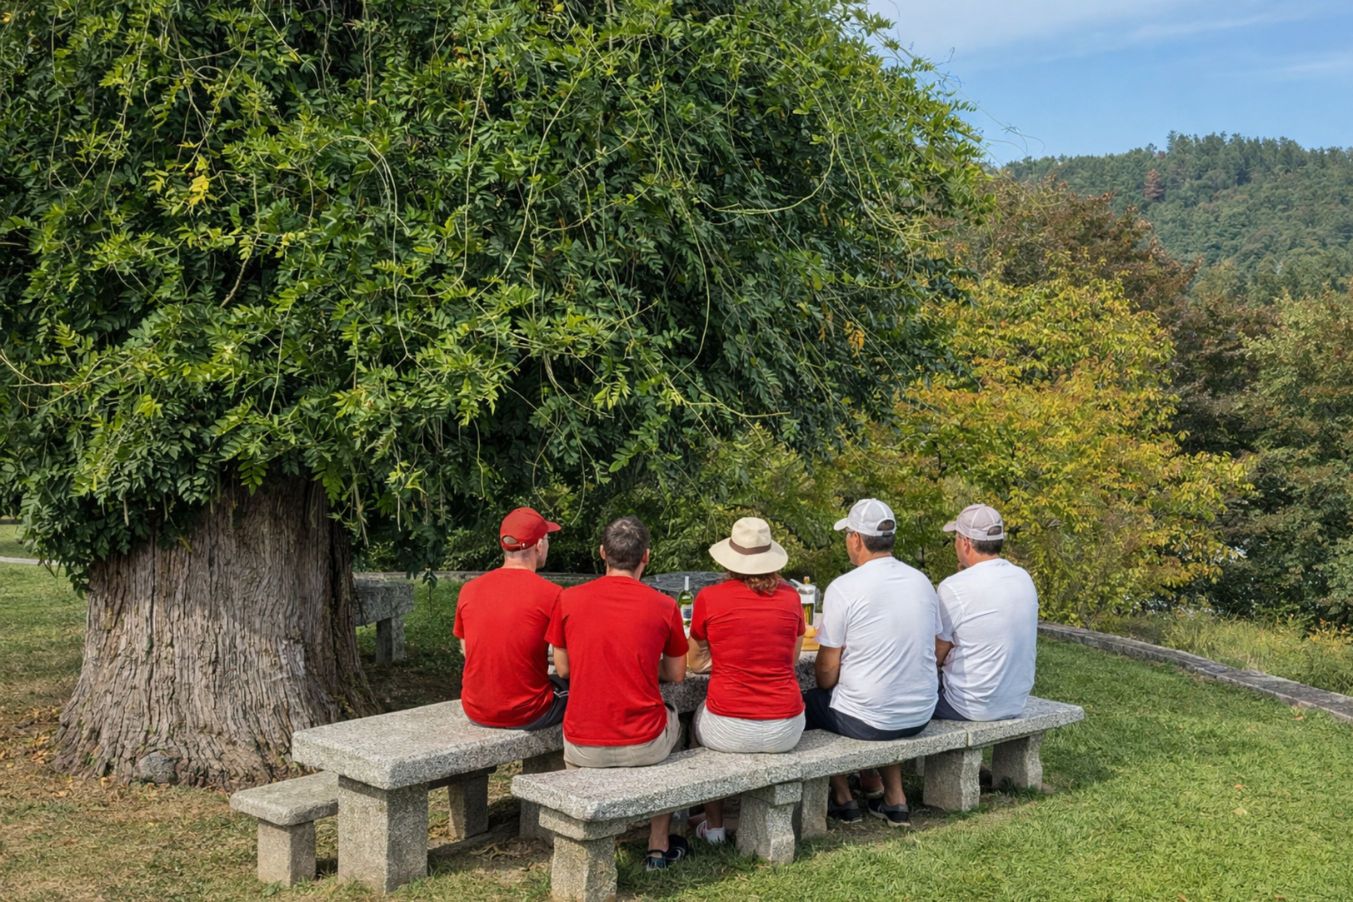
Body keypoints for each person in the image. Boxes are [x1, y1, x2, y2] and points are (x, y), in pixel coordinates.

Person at [546, 516, 691, 871]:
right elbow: (676, 674)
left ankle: (589, 838)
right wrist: (642, 663)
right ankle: (659, 841)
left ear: (601, 554)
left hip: (582, 746)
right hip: (645, 744)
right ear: (646, 557)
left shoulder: (569, 599)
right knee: (679, 726)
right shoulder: (664, 606)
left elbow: (563, 670)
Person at [803, 498, 940, 828]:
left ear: (855, 539)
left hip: (870, 719)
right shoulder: (921, 581)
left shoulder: (845, 588)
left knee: (808, 704)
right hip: (921, 712)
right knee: (874, 694)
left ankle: (842, 797)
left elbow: (825, 670)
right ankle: (893, 797)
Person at [685, 517, 806, 844]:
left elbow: (694, 662)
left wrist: (726, 661)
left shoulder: (709, 597)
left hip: (729, 725)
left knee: (697, 724)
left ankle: (714, 827)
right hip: (786, 727)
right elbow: (792, 660)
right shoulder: (792, 598)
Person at [452, 507, 567, 729]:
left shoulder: (469, 589)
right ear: (540, 546)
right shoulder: (552, 594)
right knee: (583, 690)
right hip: (528, 712)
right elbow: (564, 669)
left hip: (475, 709)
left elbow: (467, 650)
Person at [933, 504, 1038, 721]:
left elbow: (936, 653)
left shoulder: (954, 587)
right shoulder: (1023, 578)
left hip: (966, 705)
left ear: (965, 543)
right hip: (1014, 701)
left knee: (901, 697)